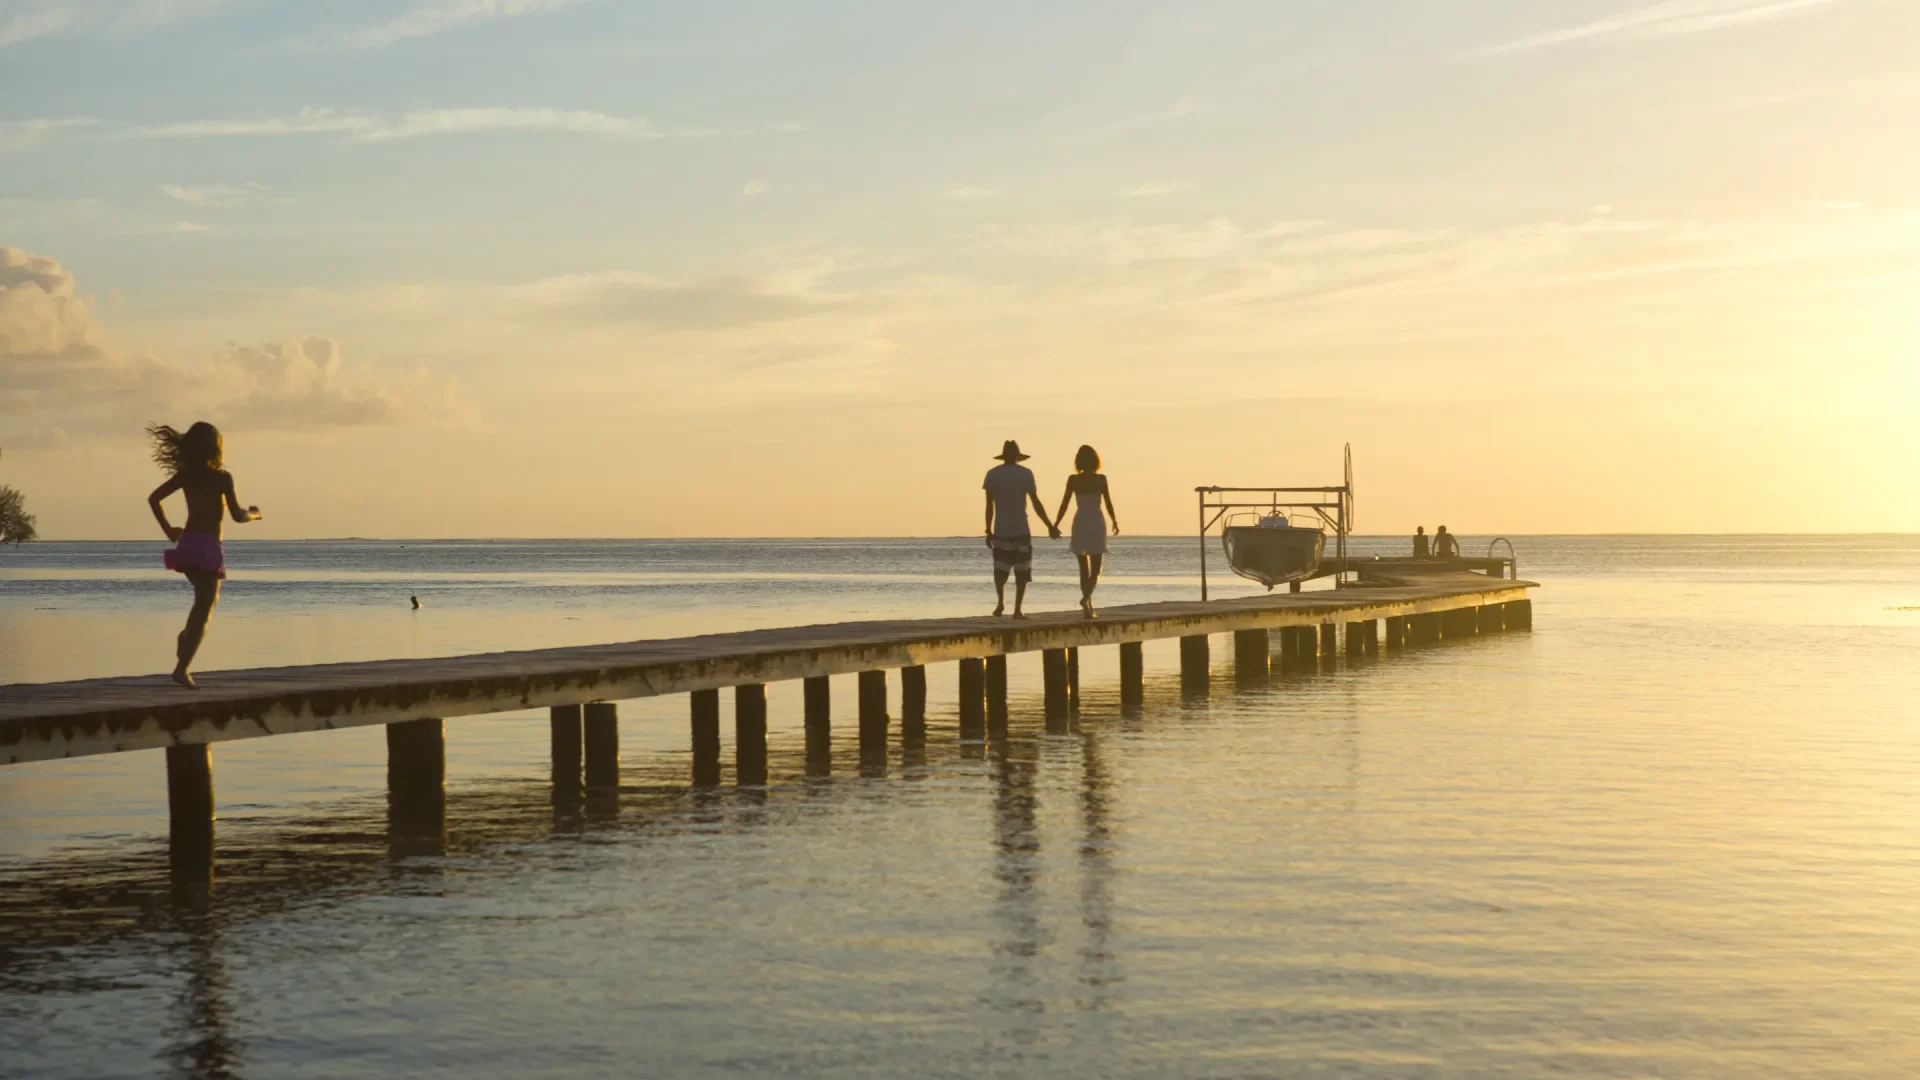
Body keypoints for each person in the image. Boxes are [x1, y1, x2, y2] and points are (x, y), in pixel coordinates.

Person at [146, 422, 262, 688]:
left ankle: (186, 638)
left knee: (200, 606)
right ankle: (182, 668)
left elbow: (153, 499)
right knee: (205, 609)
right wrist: (254, 513)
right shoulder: (222, 478)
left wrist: (168, 530)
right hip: (209, 547)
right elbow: (237, 515)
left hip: (187, 545)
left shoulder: (186, 475)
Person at [983, 439, 1055, 618]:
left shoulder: (992, 474)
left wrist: (988, 530)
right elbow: (1036, 503)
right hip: (1021, 529)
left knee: (1000, 570)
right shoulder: (1026, 474)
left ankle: (1000, 603)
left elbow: (989, 506)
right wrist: (1049, 525)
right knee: (1022, 572)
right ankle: (1017, 610)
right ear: (1017, 457)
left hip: (1001, 529)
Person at [1053, 444, 1119, 618]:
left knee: (1083, 567)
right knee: (1096, 567)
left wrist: (1056, 523)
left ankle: (1087, 605)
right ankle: (1087, 599)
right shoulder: (1101, 479)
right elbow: (1108, 502)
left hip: (1081, 521)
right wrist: (1114, 520)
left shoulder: (1073, 480)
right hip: (1096, 521)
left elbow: (1065, 503)